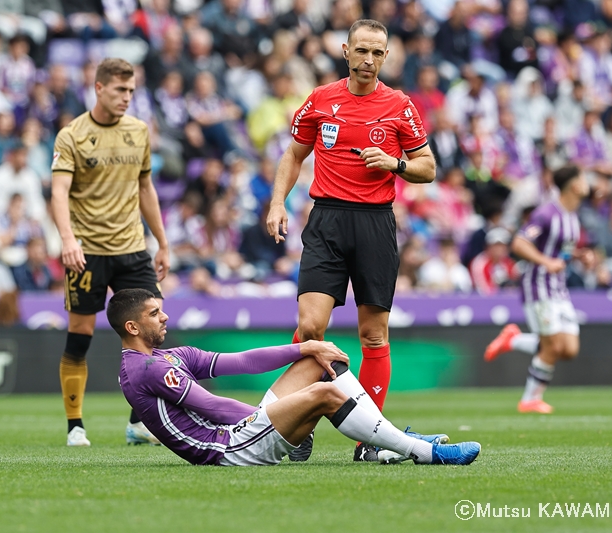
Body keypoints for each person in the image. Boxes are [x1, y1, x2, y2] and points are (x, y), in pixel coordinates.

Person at [266, 19, 436, 462]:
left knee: (373, 335)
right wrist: (277, 203)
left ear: (386, 56)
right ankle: (297, 426)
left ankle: (370, 441)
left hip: (376, 223)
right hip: (327, 221)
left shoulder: (400, 106)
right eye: (362, 50)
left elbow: (428, 167)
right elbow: (293, 154)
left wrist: (395, 162)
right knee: (310, 329)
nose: (369, 60)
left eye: (377, 53)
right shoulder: (322, 99)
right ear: (345, 51)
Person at [111, 288, 481, 467]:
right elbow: (211, 405)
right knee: (324, 394)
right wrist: (271, 416)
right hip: (226, 450)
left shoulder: (167, 355)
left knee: (321, 361)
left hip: (239, 432)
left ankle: (388, 442)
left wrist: (306, 349)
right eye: (155, 313)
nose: (165, 317)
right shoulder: (146, 369)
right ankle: (424, 453)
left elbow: (242, 361)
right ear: (132, 326)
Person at [51, 58, 170, 447]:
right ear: (99, 88)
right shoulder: (72, 135)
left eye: (131, 91)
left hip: (132, 247)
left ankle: (139, 423)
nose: (127, 98)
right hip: (87, 252)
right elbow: (58, 192)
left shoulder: (139, 131)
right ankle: (75, 426)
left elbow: (146, 189)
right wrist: (68, 239)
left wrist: (162, 242)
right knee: (80, 334)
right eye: (120, 90)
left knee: (153, 331)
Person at [484, 166, 589, 414]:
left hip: (559, 289)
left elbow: (560, 251)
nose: (587, 183)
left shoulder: (573, 216)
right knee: (552, 345)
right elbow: (520, 242)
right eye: (583, 178)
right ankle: (530, 399)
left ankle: (513, 339)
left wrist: (580, 257)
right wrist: (546, 262)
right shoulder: (546, 213)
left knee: (569, 348)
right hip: (538, 287)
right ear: (574, 185)